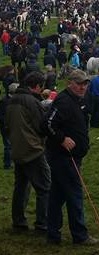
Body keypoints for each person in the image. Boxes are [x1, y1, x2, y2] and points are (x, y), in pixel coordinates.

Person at [43, 69, 99, 245]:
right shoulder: (63, 101)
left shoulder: (78, 100)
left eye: (85, 84)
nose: (83, 87)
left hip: (71, 156)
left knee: (57, 196)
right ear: (70, 83)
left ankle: (53, 234)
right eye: (79, 83)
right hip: (64, 158)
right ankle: (80, 235)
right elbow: (47, 123)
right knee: (75, 194)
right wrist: (62, 139)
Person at [5, 72, 50, 232]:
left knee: (21, 187)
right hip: (33, 150)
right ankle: (42, 223)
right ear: (37, 86)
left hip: (16, 149)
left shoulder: (11, 101)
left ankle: (18, 221)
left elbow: (7, 125)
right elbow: (41, 126)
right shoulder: (32, 101)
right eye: (41, 86)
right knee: (44, 187)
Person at [0, 83, 18, 169]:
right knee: (8, 146)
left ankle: (10, 161)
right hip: (7, 127)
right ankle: (7, 164)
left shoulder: (7, 99)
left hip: (9, 126)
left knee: (11, 145)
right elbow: (3, 115)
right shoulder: (6, 101)